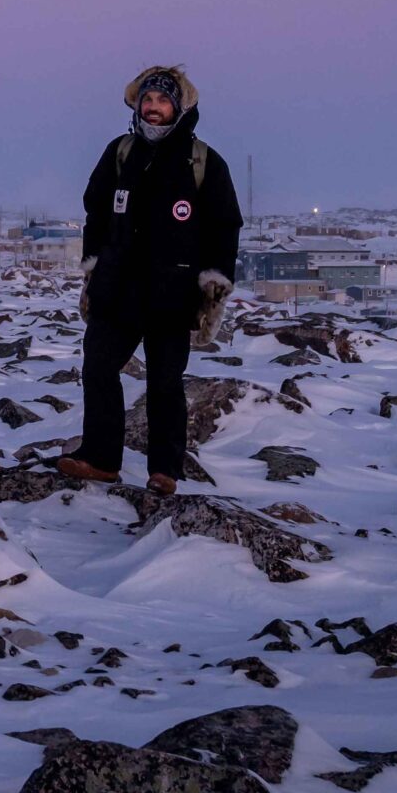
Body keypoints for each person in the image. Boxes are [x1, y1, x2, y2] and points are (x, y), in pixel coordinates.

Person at [55, 66, 241, 495]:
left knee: (164, 381)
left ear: (179, 106)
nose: (154, 108)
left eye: (163, 100)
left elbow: (224, 225)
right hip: (117, 288)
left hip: (172, 294)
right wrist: (92, 268)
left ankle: (164, 470)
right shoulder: (120, 152)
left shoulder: (203, 162)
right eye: (148, 100)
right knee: (99, 367)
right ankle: (100, 459)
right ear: (137, 105)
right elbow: (95, 212)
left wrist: (214, 285)